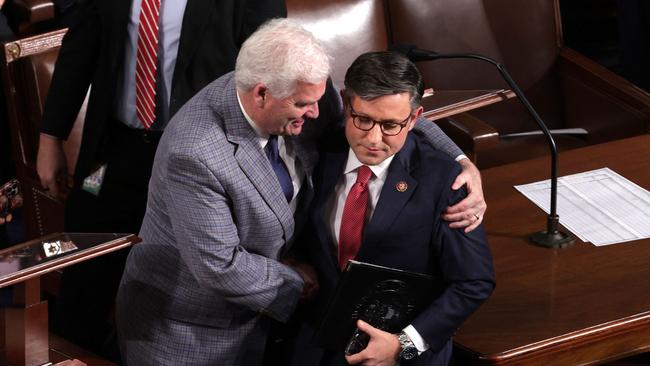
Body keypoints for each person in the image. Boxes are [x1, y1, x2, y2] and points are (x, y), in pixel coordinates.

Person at [116, 18, 486, 365]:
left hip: (280, 332)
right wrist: (305, 282)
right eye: (303, 105)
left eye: (321, 100)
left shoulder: (301, 90)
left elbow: (388, 111)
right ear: (261, 94)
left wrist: (460, 160)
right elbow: (220, 267)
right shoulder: (196, 152)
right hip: (193, 331)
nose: (317, 113)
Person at [34, 0, 287, 358]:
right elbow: (81, 47)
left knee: (178, 291)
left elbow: (271, 69)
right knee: (82, 281)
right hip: (112, 155)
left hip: (196, 162)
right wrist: (51, 138)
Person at [287, 51, 495, 366]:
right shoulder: (318, 154)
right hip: (316, 348)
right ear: (346, 103)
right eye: (364, 119)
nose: (372, 138)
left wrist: (404, 344)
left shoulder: (444, 181)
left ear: (414, 118)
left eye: (389, 125)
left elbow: (473, 281)